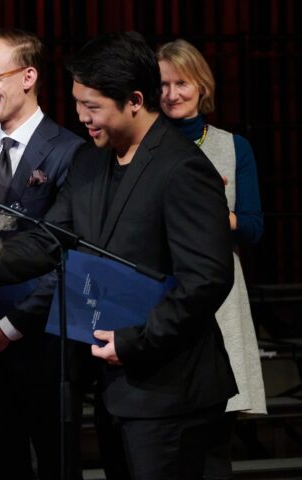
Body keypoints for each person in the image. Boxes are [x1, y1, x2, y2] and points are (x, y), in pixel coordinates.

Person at [0, 31, 238, 480]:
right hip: (115, 387)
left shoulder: (183, 170)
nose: (82, 117)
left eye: (93, 107)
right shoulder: (91, 162)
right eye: (78, 103)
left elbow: (207, 279)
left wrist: (136, 341)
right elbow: (49, 239)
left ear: (135, 100)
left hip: (175, 392)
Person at [0, 29, 84, 479]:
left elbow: (66, 254)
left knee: (55, 462)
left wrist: (10, 328)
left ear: (28, 76)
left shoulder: (71, 151)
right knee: (0, 461)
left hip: (43, 338)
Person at [157, 38, 266, 479]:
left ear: (201, 86)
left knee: (214, 439)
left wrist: (212, 213)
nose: (172, 94)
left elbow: (255, 227)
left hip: (221, 295)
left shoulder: (232, 146)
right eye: (162, 84)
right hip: (165, 289)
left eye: (181, 82)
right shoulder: (146, 146)